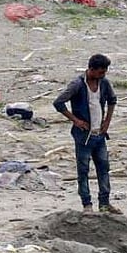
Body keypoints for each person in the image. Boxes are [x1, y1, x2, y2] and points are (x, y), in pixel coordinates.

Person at [52, 53, 119, 214]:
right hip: (83, 136)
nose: (103, 75)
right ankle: (87, 204)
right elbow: (58, 102)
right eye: (100, 72)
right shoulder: (77, 85)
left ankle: (104, 204)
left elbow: (112, 100)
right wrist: (75, 120)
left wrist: (107, 122)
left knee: (103, 168)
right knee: (83, 170)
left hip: (99, 135)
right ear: (91, 69)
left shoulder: (104, 83)